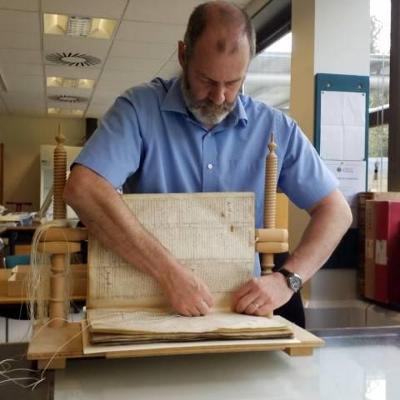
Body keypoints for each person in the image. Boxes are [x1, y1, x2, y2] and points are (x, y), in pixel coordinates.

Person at [64, 1, 352, 326]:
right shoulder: (139, 111)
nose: (218, 97)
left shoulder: (275, 128)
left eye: (233, 84)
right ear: (183, 55)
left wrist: (289, 279)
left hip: (243, 315)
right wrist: (167, 273)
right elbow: (83, 189)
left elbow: (337, 212)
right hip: (150, 309)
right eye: (207, 79)